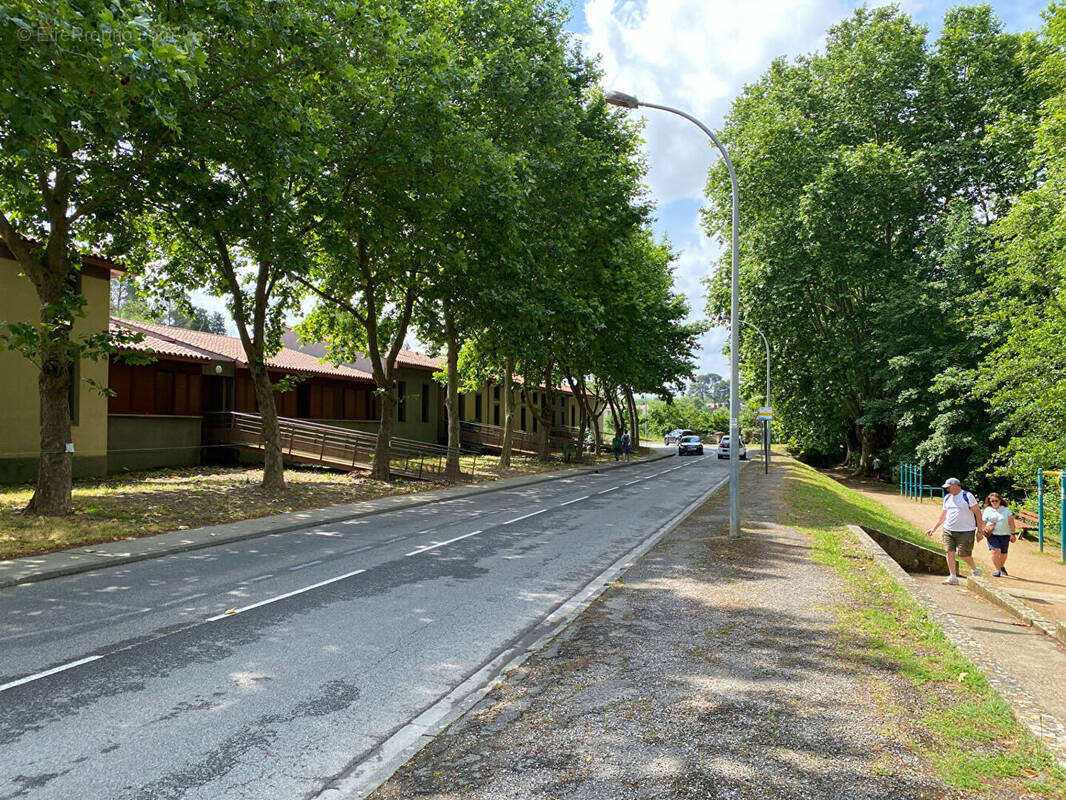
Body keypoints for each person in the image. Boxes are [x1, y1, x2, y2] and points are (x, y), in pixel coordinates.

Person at [925, 477, 983, 585]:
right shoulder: (947, 498)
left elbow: (978, 513)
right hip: (948, 530)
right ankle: (952, 576)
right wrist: (934, 528)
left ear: (955, 486)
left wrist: (980, 531)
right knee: (949, 551)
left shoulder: (967, 496)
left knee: (963, 554)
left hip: (966, 530)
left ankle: (975, 569)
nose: (947, 489)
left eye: (948, 487)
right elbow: (943, 516)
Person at [981, 492, 1017, 578]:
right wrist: (983, 530)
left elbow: (1011, 523)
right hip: (992, 534)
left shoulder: (1006, 510)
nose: (994, 502)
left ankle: (1001, 566)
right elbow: (983, 522)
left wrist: (1012, 534)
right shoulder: (987, 510)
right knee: (995, 550)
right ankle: (997, 570)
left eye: (996, 500)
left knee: (1003, 553)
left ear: (1000, 500)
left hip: (1005, 534)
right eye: (992, 501)